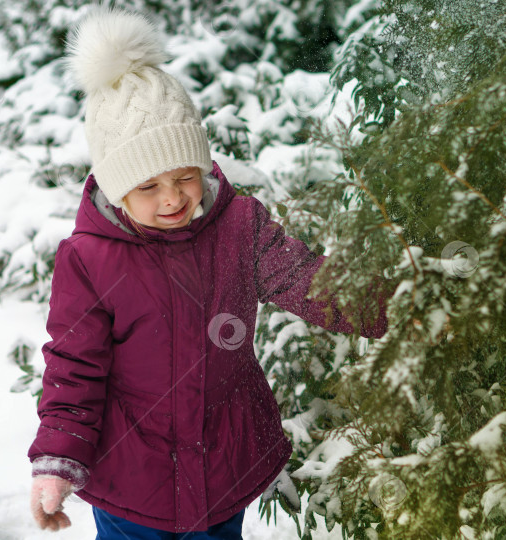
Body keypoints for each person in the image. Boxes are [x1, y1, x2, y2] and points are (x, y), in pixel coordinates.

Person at [27, 7, 395, 539]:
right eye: (148, 187)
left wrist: (396, 303)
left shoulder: (239, 227)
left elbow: (310, 283)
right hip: (132, 482)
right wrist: (57, 461)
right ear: (115, 187)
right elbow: (74, 367)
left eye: (184, 176)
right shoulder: (89, 258)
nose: (173, 197)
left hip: (225, 465)